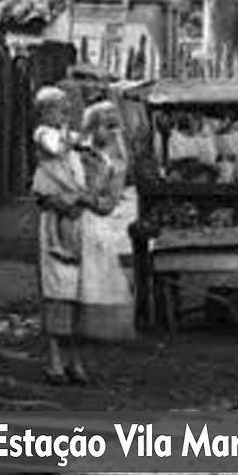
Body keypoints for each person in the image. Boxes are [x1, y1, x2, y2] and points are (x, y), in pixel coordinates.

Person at [32, 84, 91, 385]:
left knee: (77, 290)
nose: (65, 113)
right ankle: (55, 358)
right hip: (54, 219)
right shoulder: (44, 134)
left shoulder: (72, 142)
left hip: (76, 218)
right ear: (45, 111)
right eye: (59, 107)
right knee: (57, 287)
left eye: (68, 107)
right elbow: (58, 146)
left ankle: (75, 359)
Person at [78, 99, 134, 342]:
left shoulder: (116, 162)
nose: (111, 132)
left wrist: (85, 200)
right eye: (105, 125)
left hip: (95, 221)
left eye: (114, 126)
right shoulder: (77, 152)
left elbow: (108, 203)